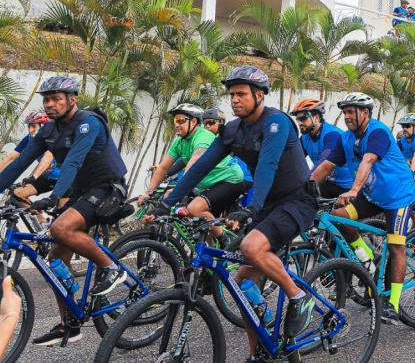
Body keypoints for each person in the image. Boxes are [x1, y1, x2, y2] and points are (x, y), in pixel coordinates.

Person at [151, 66, 318, 352]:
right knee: (242, 283)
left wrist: (251, 208)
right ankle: (257, 353)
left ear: (260, 95)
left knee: (252, 248)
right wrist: (166, 201)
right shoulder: (233, 129)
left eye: (241, 94)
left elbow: (268, 164)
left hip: (295, 201)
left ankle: (298, 296)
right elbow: (202, 165)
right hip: (266, 205)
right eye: (232, 94)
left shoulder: (276, 123)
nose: (235, 99)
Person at [0, 76, 130, 345]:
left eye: (56, 98)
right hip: (83, 192)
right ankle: (69, 324)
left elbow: (73, 161)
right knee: (56, 258)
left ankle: (112, 269)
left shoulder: (88, 122)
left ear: (73, 99)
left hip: (108, 188)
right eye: (46, 99)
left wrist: (54, 197)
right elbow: (20, 163)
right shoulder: (49, 131)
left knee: (60, 227)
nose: (50, 104)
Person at [325, 92, 415, 323]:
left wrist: (354, 190)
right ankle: (367, 258)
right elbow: (326, 166)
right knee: (338, 217)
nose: (346, 116)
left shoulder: (377, 132)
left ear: (365, 113)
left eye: (350, 112)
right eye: (344, 112)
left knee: (396, 246)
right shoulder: (346, 138)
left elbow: (368, 161)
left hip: (399, 197)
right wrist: (302, 187)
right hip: (373, 195)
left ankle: (393, 304)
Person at [138, 104, 248, 239]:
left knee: (195, 209)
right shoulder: (179, 142)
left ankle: (226, 239)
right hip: (207, 185)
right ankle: (210, 256)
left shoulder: (203, 137)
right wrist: (148, 193)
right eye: (175, 121)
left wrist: (177, 190)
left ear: (194, 122)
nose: (177, 124)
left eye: (181, 120)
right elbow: (163, 168)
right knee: (203, 225)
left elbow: (193, 165)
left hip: (229, 180)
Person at [291, 99, 354, 200]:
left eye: (303, 118)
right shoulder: (305, 137)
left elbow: (324, 163)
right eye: (297, 119)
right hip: (326, 184)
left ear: (316, 117)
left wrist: (305, 181)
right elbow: (292, 159)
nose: (299, 123)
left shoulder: (332, 135)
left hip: (346, 188)